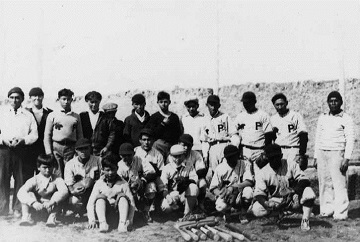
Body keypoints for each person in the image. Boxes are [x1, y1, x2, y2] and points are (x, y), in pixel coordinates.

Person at [250, 144, 316, 231]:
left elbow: (305, 180)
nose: (274, 160)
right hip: (276, 201)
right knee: (256, 209)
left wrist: (292, 191)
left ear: (281, 156)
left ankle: (305, 220)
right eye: (271, 158)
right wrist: (266, 203)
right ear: (267, 158)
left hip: (293, 198)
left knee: (309, 192)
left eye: (276, 157)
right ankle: (277, 215)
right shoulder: (263, 172)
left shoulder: (290, 164)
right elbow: (259, 194)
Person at [314, 91, 355, 220]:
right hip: (322, 152)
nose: (333, 103)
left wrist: (346, 158)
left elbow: (350, 138)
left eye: (335, 101)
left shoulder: (346, 118)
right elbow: (318, 137)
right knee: (325, 182)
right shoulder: (323, 117)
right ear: (328, 103)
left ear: (340, 102)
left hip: (337, 152)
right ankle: (327, 209)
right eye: (330, 101)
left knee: (339, 183)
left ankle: (341, 213)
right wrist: (316, 156)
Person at [0, 87, 38, 217]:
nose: (14, 100)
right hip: (4, 151)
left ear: (22, 99)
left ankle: (17, 208)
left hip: (21, 151)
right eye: (12, 97)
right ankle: (2, 208)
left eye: (17, 97)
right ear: (8, 99)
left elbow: (34, 134)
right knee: (2, 179)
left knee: (20, 179)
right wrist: (3, 140)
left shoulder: (28, 115)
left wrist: (23, 140)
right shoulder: (2, 113)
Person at [87, 154, 136, 233]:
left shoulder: (123, 183)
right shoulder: (99, 183)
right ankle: (103, 223)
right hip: (104, 213)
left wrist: (129, 220)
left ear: (117, 168)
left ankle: (122, 224)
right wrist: (92, 220)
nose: (110, 173)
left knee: (123, 197)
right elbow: (90, 203)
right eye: (107, 170)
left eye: (113, 169)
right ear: (102, 170)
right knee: (100, 198)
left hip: (118, 214)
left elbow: (132, 203)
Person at [17, 154, 69, 227]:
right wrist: (33, 203)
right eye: (44, 167)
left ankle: (52, 218)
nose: (47, 170)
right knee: (29, 193)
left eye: (50, 167)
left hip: (51, 207)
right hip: (37, 207)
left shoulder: (57, 179)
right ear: (38, 168)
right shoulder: (34, 179)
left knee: (58, 194)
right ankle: (27, 217)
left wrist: (52, 201)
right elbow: (21, 192)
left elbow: (64, 191)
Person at [44, 88, 83, 178]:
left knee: (70, 172)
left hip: (71, 148)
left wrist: (79, 150)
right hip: (56, 148)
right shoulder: (52, 115)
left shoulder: (76, 116)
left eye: (68, 99)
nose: (66, 102)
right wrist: (49, 152)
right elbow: (47, 135)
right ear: (59, 99)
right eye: (63, 99)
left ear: (71, 100)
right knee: (57, 173)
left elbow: (80, 135)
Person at [233, 91, 273, 180]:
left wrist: (266, 152)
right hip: (245, 150)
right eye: (244, 103)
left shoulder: (263, 115)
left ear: (254, 102)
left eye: (248, 102)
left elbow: (269, 134)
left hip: (259, 150)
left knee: (259, 176)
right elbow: (233, 132)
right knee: (246, 176)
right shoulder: (240, 116)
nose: (246, 105)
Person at [209, 145, 254, 221]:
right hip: (227, 195)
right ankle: (227, 212)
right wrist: (222, 194)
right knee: (220, 206)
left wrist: (234, 187)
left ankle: (243, 214)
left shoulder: (245, 164)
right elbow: (213, 188)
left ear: (238, 155)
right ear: (225, 157)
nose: (231, 159)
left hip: (240, 193)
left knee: (249, 192)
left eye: (233, 156)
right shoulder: (220, 168)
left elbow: (249, 181)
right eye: (229, 157)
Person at [201, 95, 239, 182]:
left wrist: (234, 148)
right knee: (215, 173)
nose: (213, 107)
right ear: (207, 105)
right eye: (211, 105)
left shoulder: (225, 116)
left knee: (227, 169)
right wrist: (205, 155)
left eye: (215, 104)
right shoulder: (204, 119)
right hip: (213, 147)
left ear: (219, 105)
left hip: (225, 145)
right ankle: (217, 193)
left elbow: (234, 134)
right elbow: (204, 140)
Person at [117, 143, 158, 223]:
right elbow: (119, 181)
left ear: (133, 154)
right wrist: (129, 186)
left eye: (129, 155)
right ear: (120, 156)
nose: (127, 158)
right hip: (128, 188)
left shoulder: (140, 159)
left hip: (141, 185)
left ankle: (146, 211)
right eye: (124, 156)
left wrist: (142, 180)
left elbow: (152, 173)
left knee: (152, 186)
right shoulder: (120, 165)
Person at [270, 93, 308, 170]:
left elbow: (303, 135)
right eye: (277, 105)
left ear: (286, 103)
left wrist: (301, 154)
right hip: (279, 151)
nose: (280, 107)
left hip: (293, 149)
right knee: (281, 176)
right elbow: (271, 139)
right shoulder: (273, 119)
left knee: (294, 175)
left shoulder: (295, 116)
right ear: (273, 105)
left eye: (282, 104)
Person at [64, 138, 102, 215]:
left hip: (95, 190)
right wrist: (73, 191)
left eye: (86, 148)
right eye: (80, 149)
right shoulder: (70, 164)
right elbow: (69, 183)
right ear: (76, 150)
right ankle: (80, 211)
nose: (83, 151)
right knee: (74, 201)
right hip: (79, 193)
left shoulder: (98, 160)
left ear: (90, 148)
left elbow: (103, 177)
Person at [160, 144, 199, 220]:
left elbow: (195, 180)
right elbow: (163, 186)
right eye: (175, 156)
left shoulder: (189, 166)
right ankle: (177, 210)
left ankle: (187, 213)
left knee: (193, 188)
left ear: (184, 155)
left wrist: (186, 181)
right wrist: (168, 197)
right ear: (171, 156)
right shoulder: (167, 168)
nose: (177, 159)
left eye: (179, 156)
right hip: (171, 193)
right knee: (166, 207)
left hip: (184, 194)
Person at [25, 87, 53, 182]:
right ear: (30, 97)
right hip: (28, 149)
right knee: (27, 174)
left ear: (43, 97)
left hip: (43, 149)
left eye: (39, 96)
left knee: (42, 175)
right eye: (34, 96)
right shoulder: (25, 112)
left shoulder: (50, 113)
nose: (37, 98)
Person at [146, 91, 182, 160]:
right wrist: (163, 124)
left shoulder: (174, 117)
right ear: (158, 102)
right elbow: (153, 134)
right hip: (159, 145)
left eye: (165, 102)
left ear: (169, 102)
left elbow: (178, 133)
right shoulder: (154, 117)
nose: (163, 104)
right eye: (161, 102)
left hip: (172, 145)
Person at [80, 91, 115, 157]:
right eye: (92, 102)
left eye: (96, 102)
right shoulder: (82, 116)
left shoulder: (105, 117)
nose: (94, 105)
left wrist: (107, 147)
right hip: (86, 150)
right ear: (87, 101)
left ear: (99, 101)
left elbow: (112, 133)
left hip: (102, 151)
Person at [178, 134, 207, 211]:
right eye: (183, 145)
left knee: (202, 182)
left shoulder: (196, 154)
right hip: (177, 183)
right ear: (178, 144)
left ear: (192, 146)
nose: (186, 148)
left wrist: (191, 179)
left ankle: (200, 203)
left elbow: (201, 171)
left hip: (191, 181)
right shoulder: (174, 154)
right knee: (167, 207)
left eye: (188, 145)